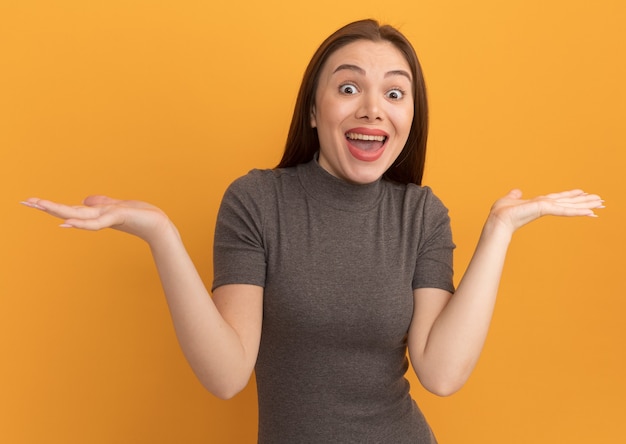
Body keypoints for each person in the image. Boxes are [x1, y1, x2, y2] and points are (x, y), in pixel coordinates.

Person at [22, 19, 603, 444]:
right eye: (349, 88)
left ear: (408, 118)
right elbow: (226, 375)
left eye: (394, 93)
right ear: (312, 109)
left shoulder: (422, 214)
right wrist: (162, 235)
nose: (373, 108)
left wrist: (499, 231)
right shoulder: (256, 201)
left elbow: (441, 372)